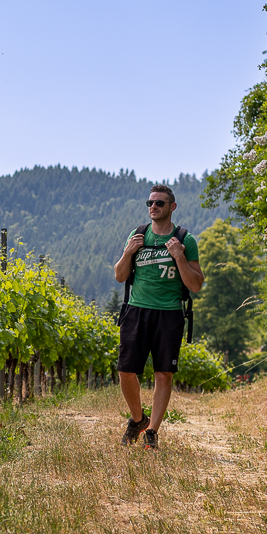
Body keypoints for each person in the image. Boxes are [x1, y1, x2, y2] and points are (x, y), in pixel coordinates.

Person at [112, 184, 204, 449]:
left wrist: (179, 257)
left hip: (169, 314)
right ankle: (138, 419)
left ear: (172, 207)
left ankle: (152, 431)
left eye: (159, 203)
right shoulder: (138, 235)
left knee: (163, 374)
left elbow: (195, 284)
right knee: (126, 371)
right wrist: (128, 252)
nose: (153, 207)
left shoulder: (185, 240)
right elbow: (119, 276)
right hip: (136, 310)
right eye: (150, 203)